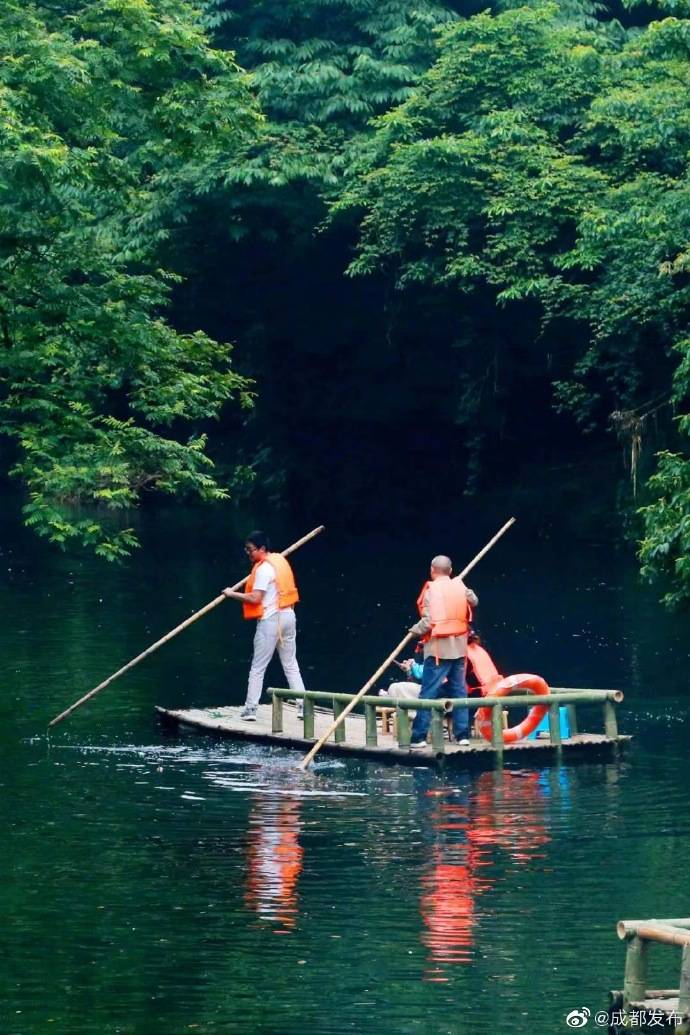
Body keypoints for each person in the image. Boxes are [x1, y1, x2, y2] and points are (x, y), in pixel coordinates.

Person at [223, 531, 306, 721]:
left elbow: (255, 598)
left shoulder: (263, 570)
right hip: (288, 617)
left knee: (257, 667)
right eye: (246, 550)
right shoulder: (279, 562)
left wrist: (231, 594)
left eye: (251, 550)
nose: (248, 553)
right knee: (291, 664)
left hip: (271, 621)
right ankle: (303, 705)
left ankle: (251, 709)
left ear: (262, 549)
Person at [408, 555, 478, 748]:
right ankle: (462, 735)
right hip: (459, 648)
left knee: (428, 693)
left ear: (432, 570)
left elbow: (428, 621)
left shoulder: (431, 590)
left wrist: (414, 631)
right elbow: (474, 601)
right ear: (451, 570)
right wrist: (466, 590)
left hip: (438, 651)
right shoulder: (460, 585)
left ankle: (418, 737)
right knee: (459, 692)